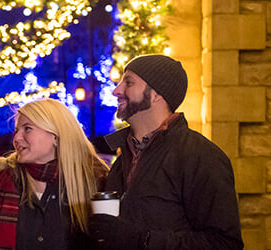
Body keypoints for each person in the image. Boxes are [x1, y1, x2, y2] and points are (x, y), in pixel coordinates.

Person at [88, 55, 243, 249]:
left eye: (128, 83)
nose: (116, 90)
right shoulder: (124, 157)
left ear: (156, 94)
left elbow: (225, 243)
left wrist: (142, 240)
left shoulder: (200, 156)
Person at [0, 98, 108, 249]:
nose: (16, 138)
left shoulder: (93, 181)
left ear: (55, 135)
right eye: (16, 130)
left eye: (27, 128)